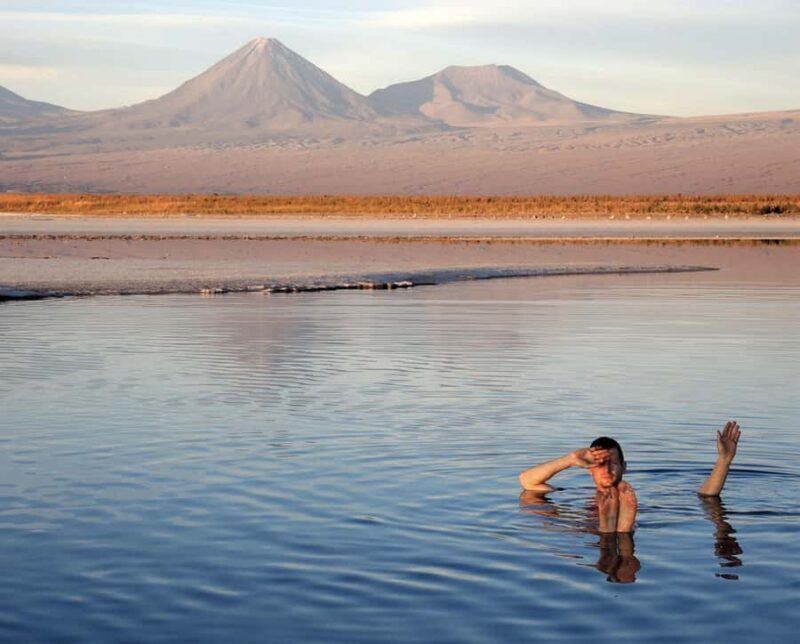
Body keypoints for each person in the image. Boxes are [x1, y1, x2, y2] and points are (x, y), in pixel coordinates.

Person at [517, 421, 742, 533]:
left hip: (624, 520)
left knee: (609, 531)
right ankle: (619, 532)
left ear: (624, 467)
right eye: (600, 464)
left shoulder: (632, 497)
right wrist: (570, 458)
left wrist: (724, 460)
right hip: (595, 523)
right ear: (590, 470)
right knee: (532, 500)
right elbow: (527, 481)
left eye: (612, 463)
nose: (606, 469)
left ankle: (620, 532)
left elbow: (706, 496)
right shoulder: (577, 497)